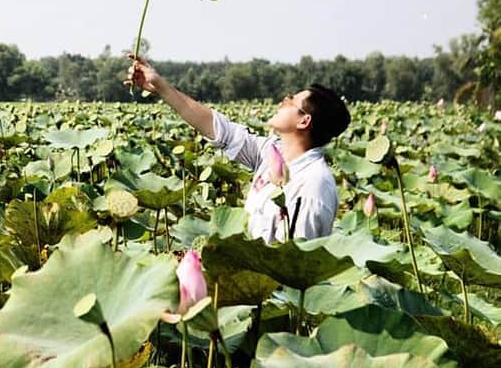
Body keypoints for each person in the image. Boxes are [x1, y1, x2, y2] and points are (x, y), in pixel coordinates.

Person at [127, 55, 350, 243]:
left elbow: (298, 265)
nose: (283, 100)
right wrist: (161, 87)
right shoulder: (272, 153)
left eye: (291, 101)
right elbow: (218, 129)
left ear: (304, 121)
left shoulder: (313, 185)